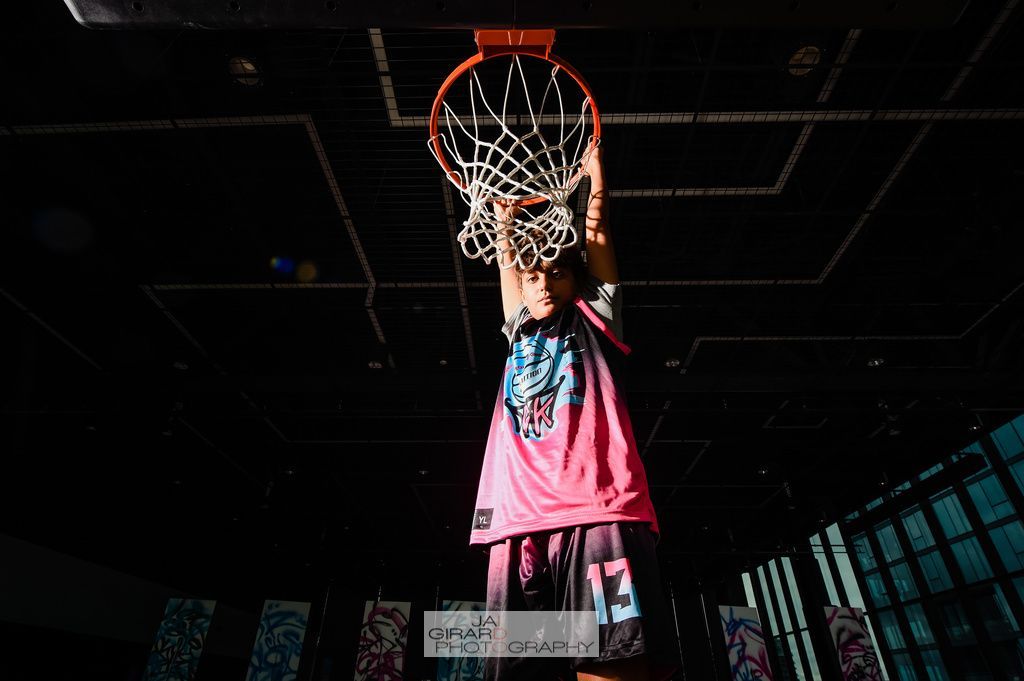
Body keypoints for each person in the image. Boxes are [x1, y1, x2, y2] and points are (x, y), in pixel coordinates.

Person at [470, 146, 678, 681]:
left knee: (611, 662)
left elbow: (599, 239)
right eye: (532, 274)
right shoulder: (518, 326)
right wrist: (505, 224)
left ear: (574, 280)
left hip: (596, 511)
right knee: (517, 666)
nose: (540, 282)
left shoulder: (595, 318)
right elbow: (507, 263)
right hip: (515, 520)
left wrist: (596, 188)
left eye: (555, 273)